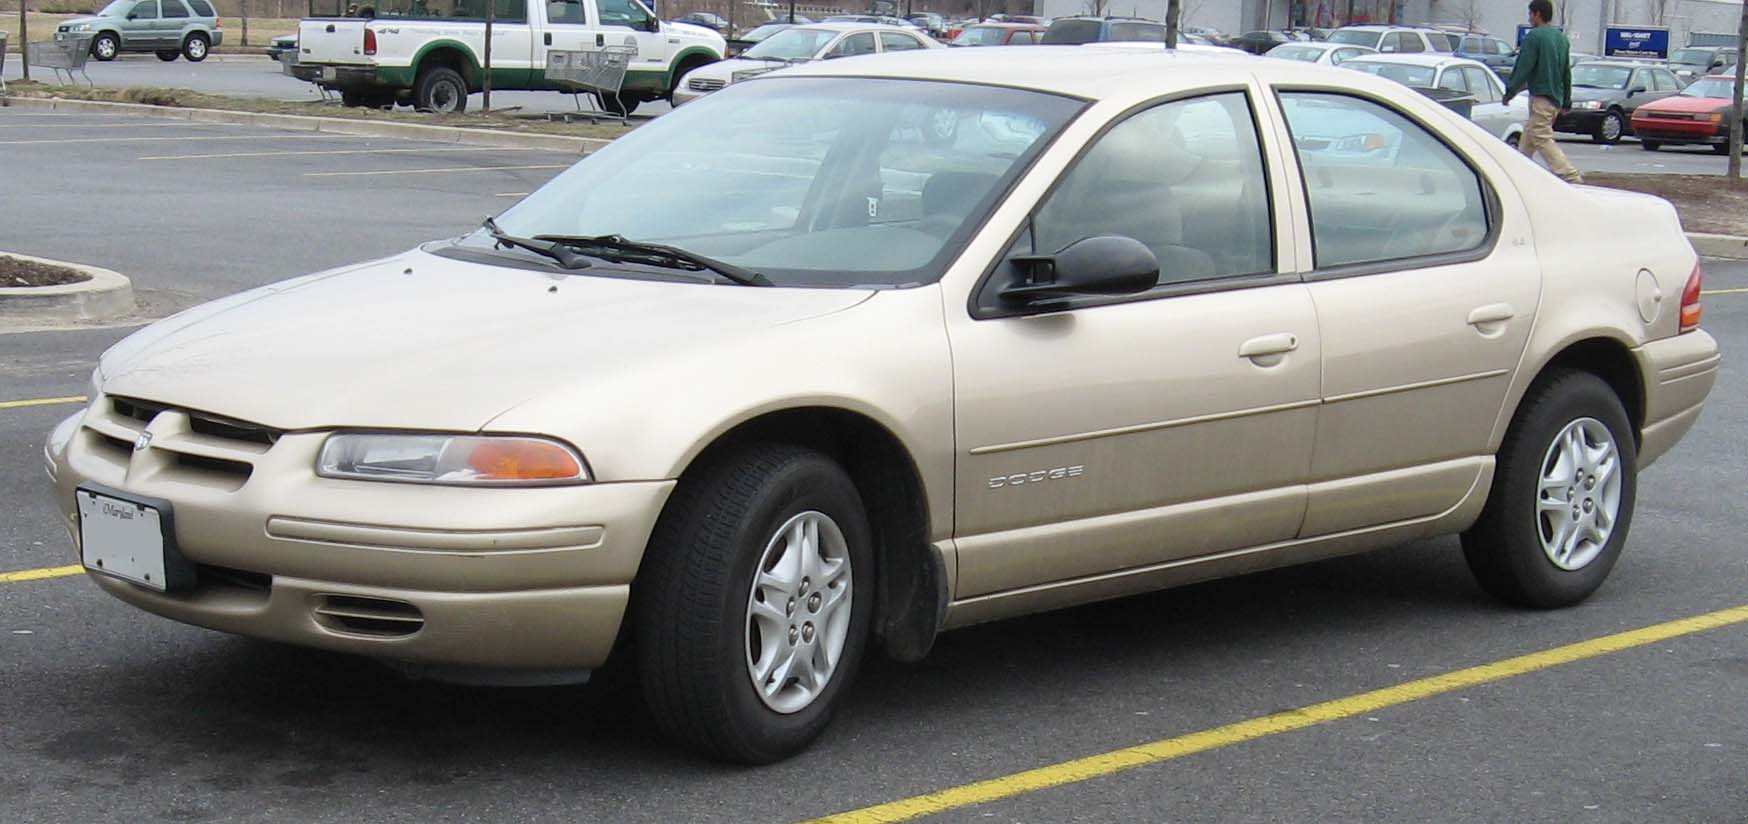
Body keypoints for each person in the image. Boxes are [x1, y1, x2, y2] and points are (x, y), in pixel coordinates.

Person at [1503, 0, 1581, 183]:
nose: (1529, 18)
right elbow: (1566, 73)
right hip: (1555, 99)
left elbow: (1524, 66)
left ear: (1537, 14)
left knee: (1541, 136)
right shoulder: (1561, 39)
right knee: (1528, 140)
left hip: (1541, 97)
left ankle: (1569, 175)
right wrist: (1566, 100)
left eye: (1530, 14)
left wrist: (1510, 91)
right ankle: (1518, 175)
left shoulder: (1534, 37)